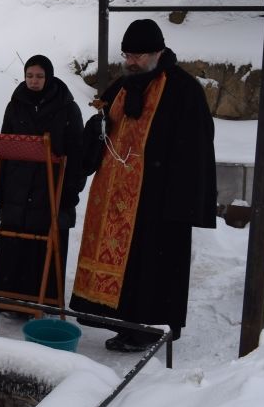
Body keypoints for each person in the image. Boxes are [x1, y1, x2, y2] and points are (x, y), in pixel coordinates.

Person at [70, 19, 217, 352]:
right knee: (129, 268)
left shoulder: (183, 89)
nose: (131, 61)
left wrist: (183, 202)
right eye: (127, 54)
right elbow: (100, 133)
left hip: (158, 200)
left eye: (137, 55)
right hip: (115, 198)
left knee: (152, 268)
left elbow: (196, 148)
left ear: (158, 52)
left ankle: (149, 329)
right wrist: (96, 131)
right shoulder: (123, 87)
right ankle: (123, 325)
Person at [0, 55, 86, 308]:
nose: (34, 81)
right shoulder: (15, 104)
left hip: (50, 187)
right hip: (17, 185)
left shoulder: (67, 108)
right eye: (30, 76)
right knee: (15, 239)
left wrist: (71, 191)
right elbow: (5, 143)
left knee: (44, 242)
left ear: (49, 77)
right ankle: (8, 297)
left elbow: (76, 152)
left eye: (39, 76)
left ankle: (43, 300)